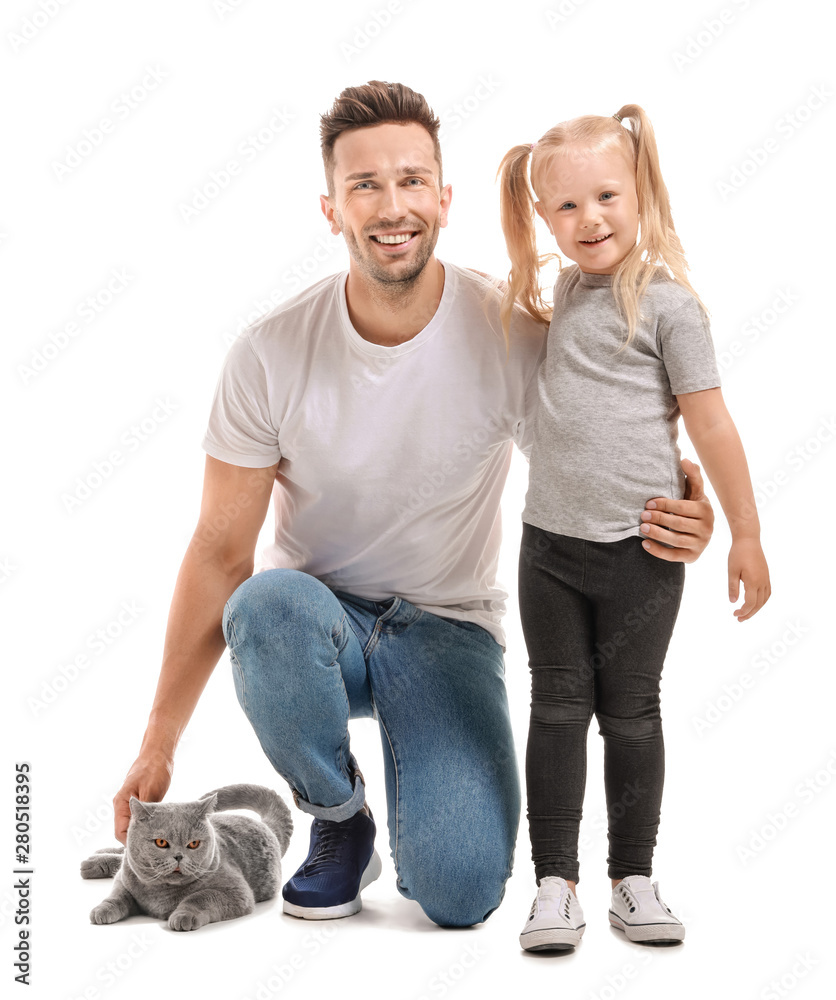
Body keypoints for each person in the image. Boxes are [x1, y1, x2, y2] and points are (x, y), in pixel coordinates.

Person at [112, 83, 716, 930]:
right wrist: (159, 739)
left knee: (462, 893)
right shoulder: (270, 353)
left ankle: (439, 815)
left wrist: (692, 507)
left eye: (410, 181)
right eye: (365, 186)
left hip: (449, 631)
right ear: (332, 209)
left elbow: (604, 452)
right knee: (264, 603)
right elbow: (218, 550)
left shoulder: (513, 333)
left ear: (444, 198)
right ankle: (337, 819)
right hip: (318, 630)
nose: (391, 207)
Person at [496, 104, 770, 950]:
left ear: (641, 192)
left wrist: (746, 532)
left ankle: (634, 877)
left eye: (608, 196)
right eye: (567, 207)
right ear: (543, 218)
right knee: (555, 708)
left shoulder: (669, 307)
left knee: (632, 713)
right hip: (548, 550)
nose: (590, 220)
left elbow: (712, 424)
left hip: (640, 554)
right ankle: (553, 885)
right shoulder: (559, 298)